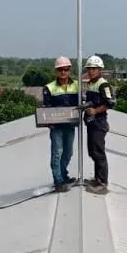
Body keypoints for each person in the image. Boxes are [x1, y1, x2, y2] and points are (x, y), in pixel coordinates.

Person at [43, 56, 79, 192]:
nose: (63, 72)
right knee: (57, 153)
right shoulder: (49, 88)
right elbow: (46, 108)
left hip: (70, 126)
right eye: (60, 70)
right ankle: (58, 181)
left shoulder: (76, 85)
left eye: (66, 69)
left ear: (70, 70)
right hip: (56, 127)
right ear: (56, 71)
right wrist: (48, 122)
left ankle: (63, 175)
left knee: (68, 152)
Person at [83, 55, 115, 194]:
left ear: (100, 69)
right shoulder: (91, 83)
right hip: (91, 122)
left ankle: (102, 183)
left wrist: (95, 110)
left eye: (94, 68)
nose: (91, 71)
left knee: (98, 152)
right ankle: (97, 179)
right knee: (93, 151)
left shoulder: (103, 84)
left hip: (99, 122)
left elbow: (110, 103)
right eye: (89, 68)